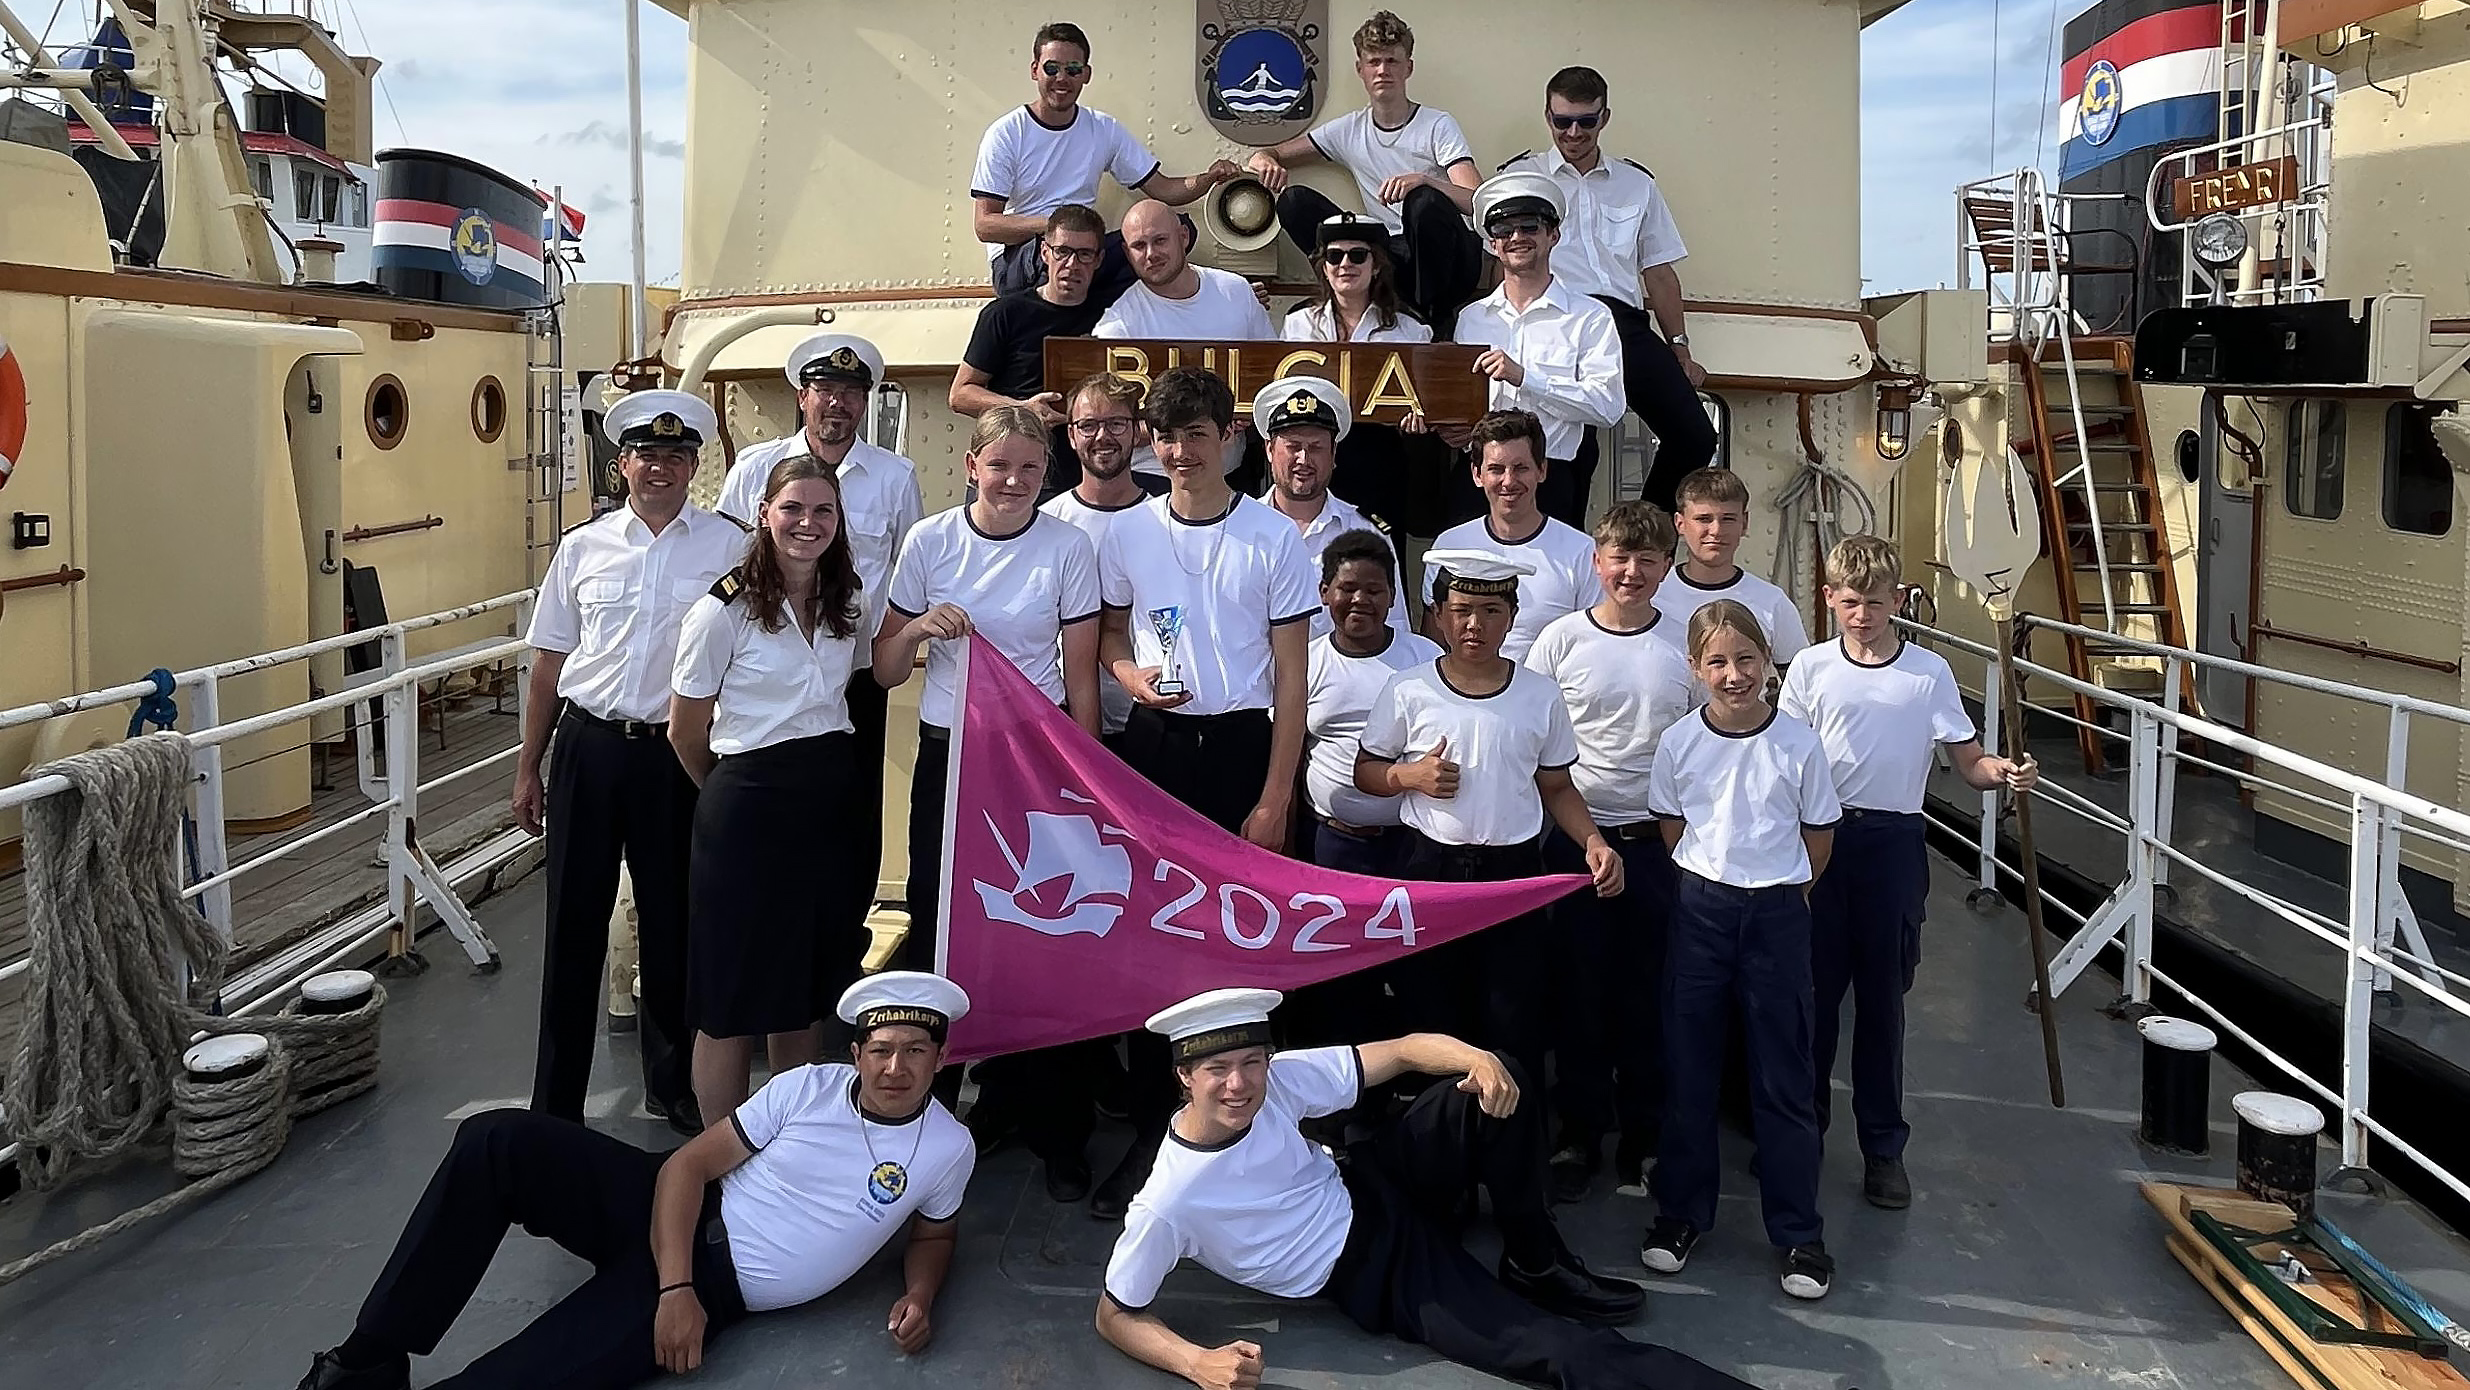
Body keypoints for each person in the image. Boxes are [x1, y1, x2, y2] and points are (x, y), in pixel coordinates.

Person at [292, 972, 976, 1390]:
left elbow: (933, 1233)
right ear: (855, 1053)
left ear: (942, 1058)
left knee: (509, 1383)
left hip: (721, 1283)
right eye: (880, 1050)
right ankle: (367, 1361)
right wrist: (674, 1290)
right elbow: (686, 1165)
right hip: (668, 1211)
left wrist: (921, 1295)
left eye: (915, 1051)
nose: (895, 1068)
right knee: (495, 1141)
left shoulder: (946, 1148)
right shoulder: (807, 1089)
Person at [1095, 989, 1758, 1390]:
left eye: (1250, 1064)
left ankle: (1534, 1257)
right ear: (1185, 1075)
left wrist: (1477, 1059)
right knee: (1561, 1351)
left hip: (1370, 1180)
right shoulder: (1169, 1201)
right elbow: (1113, 1311)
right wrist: (1194, 1363)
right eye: (1217, 1069)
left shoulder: (1279, 1080)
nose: (1239, 1085)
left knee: (1495, 1084)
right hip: (1375, 1271)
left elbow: (1409, 1048)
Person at [1093, 366, 1318, 1217]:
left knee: (1241, 945)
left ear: (1229, 437)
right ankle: (1162, 1135)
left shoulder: (1272, 539)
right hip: (1156, 747)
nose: (1178, 452)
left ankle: (1251, 1139)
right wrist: (1131, 678)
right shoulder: (1129, 533)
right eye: (1165, 435)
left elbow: (1292, 681)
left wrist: (1274, 795)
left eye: (1195, 434)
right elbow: (1114, 630)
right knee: (1156, 939)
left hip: (1240, 750)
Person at [1779, 535, 2037, 1210]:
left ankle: (1883, 1150)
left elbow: (1968, 762)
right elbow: (1785, 758)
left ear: (1898, 601)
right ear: (1830, 599)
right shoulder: (1809, 671)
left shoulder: (1928, 676)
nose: (1862, 614)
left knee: (1882, 1005)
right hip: (1819, 841)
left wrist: (2003, 774)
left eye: (1875, 602)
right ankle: (1802, 1133)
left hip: (1892, 845)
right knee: (1812, 1000)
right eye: (1850, 601)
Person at [515, 389, 743, 1134]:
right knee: (572, 925)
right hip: (589, 747)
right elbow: (549, 663)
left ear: (695, 465)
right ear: (623, 464)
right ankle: (556, 1099)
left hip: (674, 754)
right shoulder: (583, 548)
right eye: (648, 455)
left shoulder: (730, 548)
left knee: (675, 922)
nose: (661, 469)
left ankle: (670, 1084)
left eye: (676, 457)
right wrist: (528, 766)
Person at [1355, 549, 1621, 1087]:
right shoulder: (1408, 688)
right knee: (1433, 1016)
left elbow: (1556, 785)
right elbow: (1367, 770)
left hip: (1512, 876)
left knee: (1512, 1016)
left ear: (1512, 616)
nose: (1474, 625)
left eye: (1491, 611)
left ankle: (1506, 1153)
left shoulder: (1539, 696)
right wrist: (1411, 777)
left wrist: (1593, 841)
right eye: (1459, 610)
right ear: (1437, 614)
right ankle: (1437, 1151)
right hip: (1430, 872)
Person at [1642, 600, 1841, 1300]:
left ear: (1768, 663)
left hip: (1779, 915)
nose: (1735, 675)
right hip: (1701, 910)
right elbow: (1673, 823)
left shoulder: (1798, 744)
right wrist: (1717, 882)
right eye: (1719, 662)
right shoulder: (1678, 744)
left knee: (1783, 1078)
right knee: (1689, 1068)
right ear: (1695, 669)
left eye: (1747, 659)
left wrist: (1782, 892)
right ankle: (1679, 1214)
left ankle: (1798, 1232)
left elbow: (1819, 835)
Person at [667, 453, 868, 1120]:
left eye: (822, 510)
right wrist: (729, 794)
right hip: (748, 805)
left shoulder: (847, 599)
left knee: (806, 985)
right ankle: (721, 1154)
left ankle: (791, 1138)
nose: (807, 523)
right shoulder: (722, 611)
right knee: (731, 996)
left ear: (838, 520)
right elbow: (685, 730)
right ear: (763, 513)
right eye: (792, 508)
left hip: (828, 803)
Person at [875, 406, 1102, 976]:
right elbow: (885, 668)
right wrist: (918, 629)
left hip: (1032, 745)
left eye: (1029, 467)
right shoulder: (931, 541)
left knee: (1031, 893)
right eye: (999, 465)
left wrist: (1090, 774)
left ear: (1046, 470)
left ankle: (1015, 1040)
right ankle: (937, 1041)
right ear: (972, 466)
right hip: (950, 746)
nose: (1014, 481)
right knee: (937, 885)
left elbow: (1079, 676)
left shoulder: (1067, 547)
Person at [716, 332, 925, 941]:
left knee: (853, 812)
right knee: (766, 803)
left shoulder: (893, 477)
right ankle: (768, 936)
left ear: (866, 403)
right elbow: (733, 559)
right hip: (766, 668)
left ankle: (842, 939)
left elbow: (907, 572)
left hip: (856, 673)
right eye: (826, 390)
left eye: (852, 393)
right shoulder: (757, 469)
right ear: (803, 396)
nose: (839, 404)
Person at [1522, 502, 1699, 1202]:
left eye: (1647, 560)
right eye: (1619, 558)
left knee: (1650, 994)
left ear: (1664, 568)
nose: (1632, 572)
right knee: (1579, 991)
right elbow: (1535, 741)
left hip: (1657, 845)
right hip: (1574, 843)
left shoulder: (1684, 647)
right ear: (1597, 563)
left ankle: (1647, 1132)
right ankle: (1579, 1130)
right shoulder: (1560, 643)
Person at [1499, 67, 1716, 510]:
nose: (1573, 132)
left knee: (1695, 435)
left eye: (1586, 121)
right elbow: (1498, 258)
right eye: (1562, 122)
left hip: (1621, 324)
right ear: (1548, 117)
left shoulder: (1637, 184)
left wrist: (1679, 346)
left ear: (1605, 117)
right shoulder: (1522, 177)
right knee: (1572, 453)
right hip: (1554, 320)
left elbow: (1658, 271)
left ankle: (1645, 530)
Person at [1287, 529, 1441, 1046]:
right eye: (1348, 588)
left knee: (1417, 976)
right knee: (1340, 978)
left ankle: (1414, 1096)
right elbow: (1288, 751)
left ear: (1393, 597)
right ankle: (1344, 1109)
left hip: (1410, 846)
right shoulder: (1302, 662)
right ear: (1325, 592)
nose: (1360, 600)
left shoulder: (1425, 659)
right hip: (1332, 844)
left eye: (1374, 590)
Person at [1243, 10, 1483, 329]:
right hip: (1388, 258)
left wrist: (1423, 181)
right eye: (1374, 62)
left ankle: (1433, 317)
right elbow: (1273, 151)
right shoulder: (1350, 129)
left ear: (1408, 67)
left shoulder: (1437, 124)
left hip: (1445, 265)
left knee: (1422, 200)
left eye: (1392, 61)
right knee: (1294, 202)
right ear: (1361, 69)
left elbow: (1479, 201)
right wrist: (1263, 159)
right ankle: (1342, 295)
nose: (1383, 70)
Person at [972, 20, 1238, 302]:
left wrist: (1210, 178)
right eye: (1052, 68)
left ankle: (1105, 305)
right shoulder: (1006, 133)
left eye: (1073, 69)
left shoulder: (1102, 129)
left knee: (1178, 231)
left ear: (1086, 75)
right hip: (1021, 259)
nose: (1062, 77)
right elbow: (985, 225)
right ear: (1035, 70)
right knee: (1064, 252)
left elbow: (1164, 190)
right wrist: (1053, 225)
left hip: (1083, 251)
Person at [1450, 171, 1626, 528]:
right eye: (1502, 230)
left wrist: (1525, 377)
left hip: (1551, 477)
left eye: (1529, 226)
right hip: (1480, 478)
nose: (1516, 237)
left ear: (1553, 235)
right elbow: (1461, 402)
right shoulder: (1471, 319)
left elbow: (1608, 408)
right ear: (1492, 244)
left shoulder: (1590, 317)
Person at [1280, 212, 1450, 538]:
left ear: (1376, 266)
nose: (1346, 264)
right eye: (1334, 255)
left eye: (1358, 255)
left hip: (1381, 458)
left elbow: (1430, 403)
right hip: (1311, 454)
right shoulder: (1297, 325)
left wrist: (1419, 420)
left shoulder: (1411, 331)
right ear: (1323, 267)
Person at [950, 203, 1110, 499]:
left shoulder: (1114, 317)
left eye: (1084, 254)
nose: (1072, 264)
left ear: (1099, 259)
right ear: (1044, 253)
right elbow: (960, 395)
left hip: (1081, 483)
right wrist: (1024, 409)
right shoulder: (1005, 314)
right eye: (1062, 251)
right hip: (1010, 476)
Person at [1427, 410, 1603, 662]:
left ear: (1541, 470)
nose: (1508, 481)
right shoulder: (1448, 546)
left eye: (1520, 468)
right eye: (1496, 469)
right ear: (1477, 475)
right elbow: (1434, 649)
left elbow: (1590, 650)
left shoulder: (1583, 552)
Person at [1249, 374, 1410, 640]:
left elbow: (1394, 632)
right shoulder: (1238, 529)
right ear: (1269, 450)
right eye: (1293, 447)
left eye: (1315, 448)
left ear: (1334, 454)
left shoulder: (1366, 532)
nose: (1303, 459)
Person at [1654, 467, 1808, 664]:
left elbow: (1799, 685)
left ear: (1744, 523)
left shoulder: (1772, 603)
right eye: (1704, 519)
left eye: (1728, 519)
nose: (1716, 531)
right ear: (1680, 523)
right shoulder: (1652, 597)